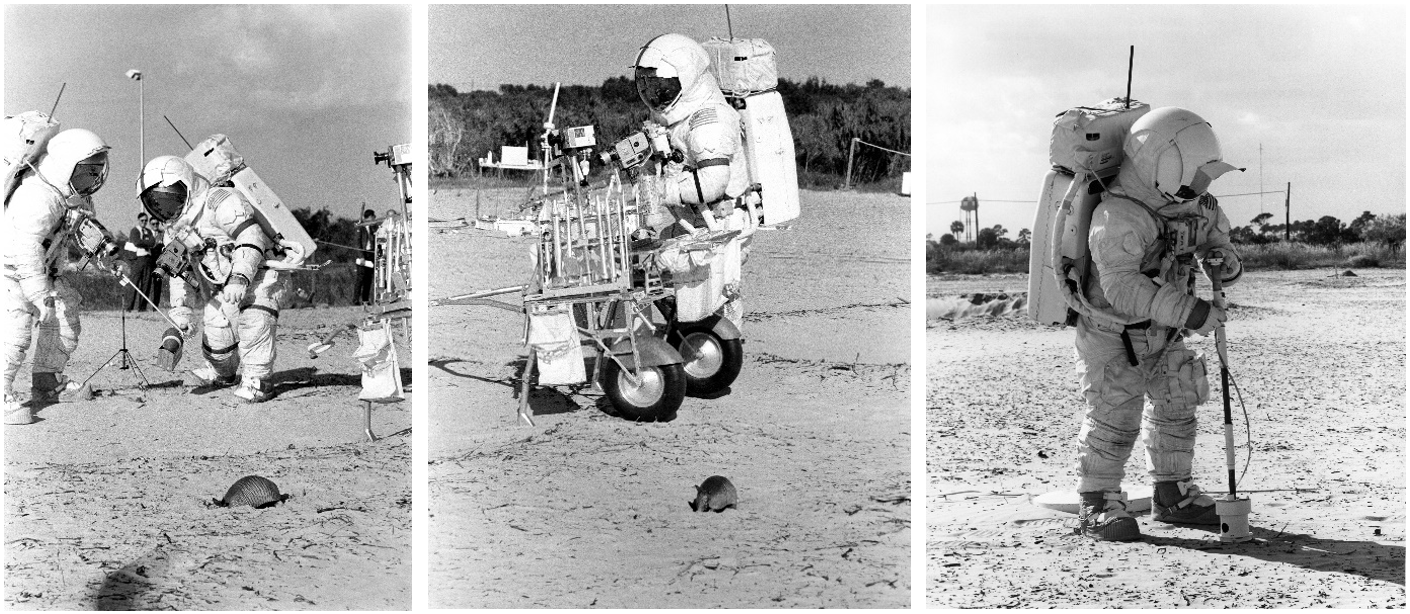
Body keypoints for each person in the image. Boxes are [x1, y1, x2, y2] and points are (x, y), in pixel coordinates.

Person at [1074, 107, 1245, 541]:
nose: (1202, 186)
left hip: (1164, 330)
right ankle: (1097, 501)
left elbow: (1216, 239)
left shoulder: (1189, 203)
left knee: (1177, 400)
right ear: (1162, 164)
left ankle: (1172, 494)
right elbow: (1122, 288)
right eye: (1196, 175)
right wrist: (1193, 313)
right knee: (1115, 415)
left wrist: (1224, 261)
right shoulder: (1118, 217)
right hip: (1113, 334)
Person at [138, 155, 282, 403]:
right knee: (217, 344)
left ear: (186, 185)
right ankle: (223, 374)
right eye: (157, 204)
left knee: (254, 321)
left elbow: (251, 235)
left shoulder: (219, 202)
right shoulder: (174, 229)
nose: (165, 209)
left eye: (169, 199)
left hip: (258, 275)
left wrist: (240, 276)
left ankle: (259, 381)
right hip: (221, 288)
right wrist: (181, 313)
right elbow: (178, 274)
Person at [2, 128, 112, 425]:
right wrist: (38, 295)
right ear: (66, 165)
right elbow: (24, 248)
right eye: (89, 171)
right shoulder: (37, 196)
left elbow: (81, 232)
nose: (94, 179)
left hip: (43, 272)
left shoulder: (70, 196)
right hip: (12, 274)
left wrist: (105, 253)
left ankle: (47, 380)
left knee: (66, 316)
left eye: (97, 170)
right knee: (15, 332)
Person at [632, 33, 750, 237]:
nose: (655, 94)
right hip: (695, 219)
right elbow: (653, 168)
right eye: (648, 86)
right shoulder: (667, 116)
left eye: (660, 86)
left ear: (687, 77)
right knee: (658, 262)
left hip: (723, 221)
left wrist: (659, 192)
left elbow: (713, 184)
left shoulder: (710, 120)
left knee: (677, 263)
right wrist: (646, 215)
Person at [123, 212, 158, 311]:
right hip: (138, 259)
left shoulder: (149, 231)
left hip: (148, 259)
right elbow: (137, 242)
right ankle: (129, 307)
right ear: (139, 220)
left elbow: (152, 242)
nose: (144, 222)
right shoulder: (135, 230)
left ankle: (142, 308)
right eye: (142, 220)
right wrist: (147, 243)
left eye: (146, 221)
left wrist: (145, 243)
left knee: (146, 284)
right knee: (134, 283)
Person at [357, 209, 378, 304]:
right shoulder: (360, 228)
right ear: (369, 217)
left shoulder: (373, 227)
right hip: (363, 255)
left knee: (368, 278)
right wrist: (361, 256)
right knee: (360, 278)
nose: (374, 218)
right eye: (373, 217)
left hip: (371, 254)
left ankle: (365, 299)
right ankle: (356, 299)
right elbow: (357, 243)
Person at [145, 214, 166, 307]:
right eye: (153, 224)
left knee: (157, 284)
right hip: (149, 261)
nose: (155, 225)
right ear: (150, 224)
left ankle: (155, 306)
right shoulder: (146, 234)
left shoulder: (163, 234)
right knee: (147, 284)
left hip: (159, 263)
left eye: (157, 224)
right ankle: (143, 306)